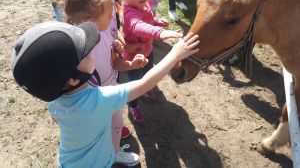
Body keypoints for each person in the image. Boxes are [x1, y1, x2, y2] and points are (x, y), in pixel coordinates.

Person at [11, 20, 199, 168]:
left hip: (68, 162)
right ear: (74, 79)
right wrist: (175, 54)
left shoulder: (54, 98)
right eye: (85, 54)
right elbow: (144, 84)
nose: (91, 51)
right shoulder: (99, 100)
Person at [61, 0, 150, 166]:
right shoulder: (76, 49)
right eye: (109, 14)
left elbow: (114, 63)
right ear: (89, 19)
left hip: (110, 87)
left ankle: (115, 152)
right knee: (99, 134)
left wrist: (130, 64)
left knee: (117, 123)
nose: (113, 19)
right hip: (93, 100)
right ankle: (104, 158)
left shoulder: (106, 34)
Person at [114, 0, 183, 125]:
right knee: (134, 83)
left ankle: (145, 89)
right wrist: (158, 32)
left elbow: (148, 19)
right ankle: (133, 105)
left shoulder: (143, 5)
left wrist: (157, 22)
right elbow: (138, 26)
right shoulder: (130, 13)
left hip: (148, 50)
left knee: (148, 72)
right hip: (134, 58)